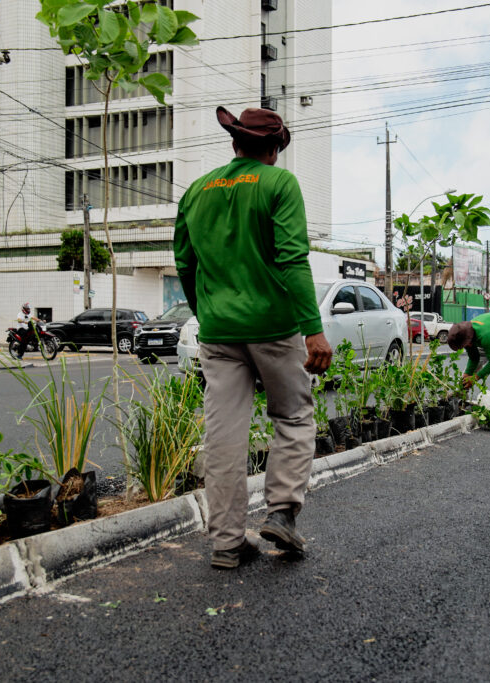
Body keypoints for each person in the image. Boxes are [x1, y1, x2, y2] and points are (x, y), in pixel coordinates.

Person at [174, 106, 332, 570]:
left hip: (219, 333)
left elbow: (185, 263)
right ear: (275, 149)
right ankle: (281, 512)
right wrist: (313, 330)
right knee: (294, 416)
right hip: (274, 328)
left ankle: (226, 543)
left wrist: (208, 312)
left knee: (223, 435)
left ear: (234, 143)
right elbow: (292, 258)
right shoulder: (279, 183)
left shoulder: (196, 191)